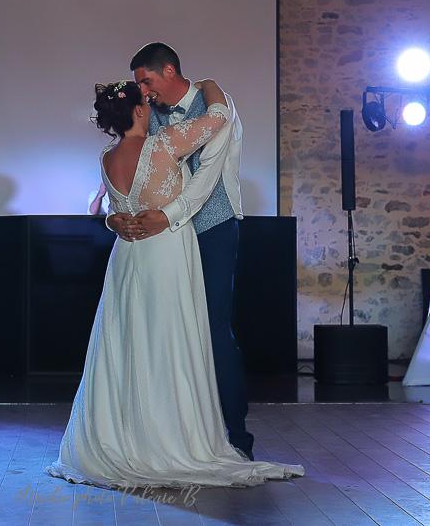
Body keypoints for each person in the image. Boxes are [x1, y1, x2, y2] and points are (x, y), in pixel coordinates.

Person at [45, 78, 303, 488]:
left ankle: (125, 438)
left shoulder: (107, 157)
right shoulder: (164, 144)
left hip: (127, 257)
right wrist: (213, 85)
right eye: (144, 103)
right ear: (137, 111)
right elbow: (218, 118)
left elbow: (111, 209)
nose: (150, 106)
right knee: (170, 341)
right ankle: (171, 439)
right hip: (164, 251)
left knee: (127, 342)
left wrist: (116, 219)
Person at [115, 42, 254, 460]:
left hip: (210, 228)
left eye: (147, 80)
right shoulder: (145, 116)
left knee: (213, 328)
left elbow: (207, 176)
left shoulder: (218, 106)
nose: (143, 90)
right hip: (163, 238)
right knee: (164, 331)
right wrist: (118, 214)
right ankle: (167, 435)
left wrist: (169, 215)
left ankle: (236, 437)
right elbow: (134, 172)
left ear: (170, 70)